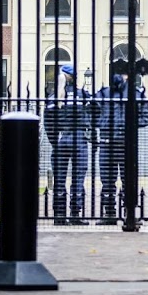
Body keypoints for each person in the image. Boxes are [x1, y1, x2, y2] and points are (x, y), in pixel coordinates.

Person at [93, 58, 148, 225]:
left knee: (123, 180)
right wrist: (103, 124)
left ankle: (123, 215)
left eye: (123, 72)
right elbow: (91, 113)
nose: (121, 76)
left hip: (122, 142)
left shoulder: (132, 93)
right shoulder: (105, 93)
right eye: (118, 72)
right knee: (110, 181)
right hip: (111, 142)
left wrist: (131, 125)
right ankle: (114, 214)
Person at [43, 64, 94, 225]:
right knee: (78, 179)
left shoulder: (53, 98)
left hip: (61, 139)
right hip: (79, 138)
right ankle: (75, 214)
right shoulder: (82, 96)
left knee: (59, 179)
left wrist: (54, 141)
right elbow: (95, 113)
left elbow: (48, 122)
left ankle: (59, 215)